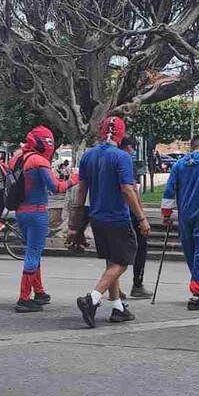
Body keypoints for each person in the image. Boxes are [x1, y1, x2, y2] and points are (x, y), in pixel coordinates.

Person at [71, 116, 150, 327]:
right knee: (123, 260)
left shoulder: (88, 156)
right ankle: (93, 298)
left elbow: (81, 191)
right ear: (121, 135)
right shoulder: (122, 157)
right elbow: (127, 189)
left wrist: (76, 225)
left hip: (97, 218)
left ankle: (117, 307)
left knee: (111, 261)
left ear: (100, 132)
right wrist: (142, 218)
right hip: (117, 218)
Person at [9, 126, 78, 313]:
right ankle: (24, 298)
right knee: (33, 252)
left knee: (33, 251)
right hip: (37, 212)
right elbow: (55, 187)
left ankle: (39, 291)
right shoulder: (39, 161)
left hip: (21, 211)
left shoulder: (18, 157)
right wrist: (74, 179)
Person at [161, 134, 199, 310]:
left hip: (184, 215)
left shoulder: (179, 165)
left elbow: (169, 189)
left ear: (191, 147)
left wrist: (166, 214)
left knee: (190, 252)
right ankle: (197, 291)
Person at [119, 136, 152, 299]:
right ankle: (137, 284)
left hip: (112, 211)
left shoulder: (109, 160)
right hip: (129, 211)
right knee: (141, 246)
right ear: (129, 147)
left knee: (114, 250)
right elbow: (131, 190)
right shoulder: (124, 162)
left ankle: (114, 286)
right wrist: (142, 216)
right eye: (133, 148)